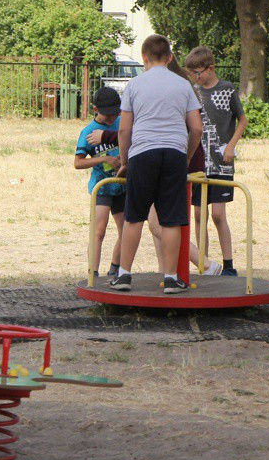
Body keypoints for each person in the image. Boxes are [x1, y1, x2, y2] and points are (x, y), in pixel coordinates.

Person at [86, 59, 222, 276]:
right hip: (179, 161)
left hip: (165, 162)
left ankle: (204, 264)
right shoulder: (181, 92)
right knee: (161, 223)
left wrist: (109, 140)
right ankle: (166, 271)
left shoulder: (161, 95)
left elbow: (140, 131)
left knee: (159, 224)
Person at [110, 35, 203, 294]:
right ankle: (171, 278)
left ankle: (124, 275)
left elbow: (124, 130)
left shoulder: (134, 84)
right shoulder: (183, 85)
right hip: (174, 153)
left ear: (144, 58)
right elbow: (196, 128)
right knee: (172, 219)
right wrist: (185, 157)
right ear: (170, 58)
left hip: (142, 153)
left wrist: (125, 161)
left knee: (134, 217)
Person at [184, 46, 248, 276]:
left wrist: (231, 146)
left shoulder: (226, 89)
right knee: (198, 214)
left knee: (218, 215)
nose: (195, 77)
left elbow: (242, 120)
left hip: (221, 163)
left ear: (210, 68)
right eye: (191, 73)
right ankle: (204, 264)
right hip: (199, 163)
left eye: (197, 73)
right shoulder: (192, 92)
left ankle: (228, 264)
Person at [75, 87, 125, 277]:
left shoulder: (121, 123)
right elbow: (78, 162)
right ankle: (93, 273)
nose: (112, 118)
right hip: (102, 187)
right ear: (96, 110)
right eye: (107, 114)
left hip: (122, 185)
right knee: (99, 230)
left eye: (115, 113)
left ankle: (115, 268)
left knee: (126, 229)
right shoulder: (89, 132)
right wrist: (105, 159)